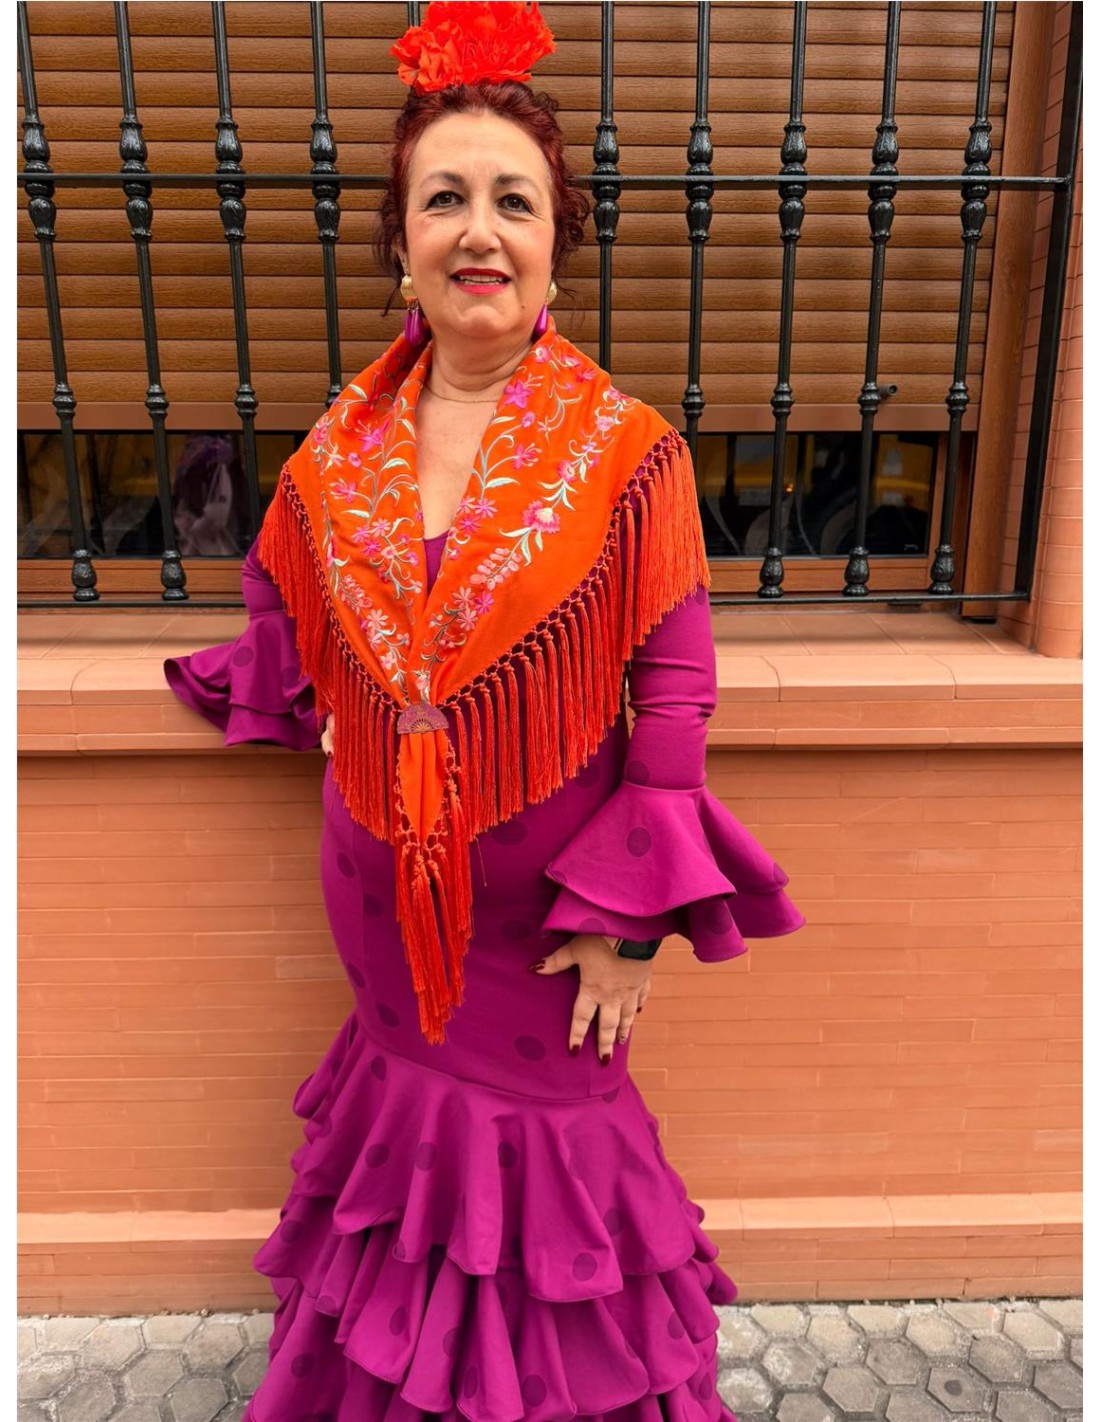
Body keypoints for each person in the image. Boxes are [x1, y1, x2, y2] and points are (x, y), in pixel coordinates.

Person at [164, 4, 806, 1417]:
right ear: (399, 238)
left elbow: (674, 695)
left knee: (555, 1165)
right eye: (443, 197)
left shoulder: (629, 454)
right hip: (379, 910)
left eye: (513, 201)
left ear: (555, 239)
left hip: (546, 930)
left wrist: (629, 923)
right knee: (412, 1180)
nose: (479, 231)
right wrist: (333, 695)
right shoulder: (340, 447)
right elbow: (283, 588)